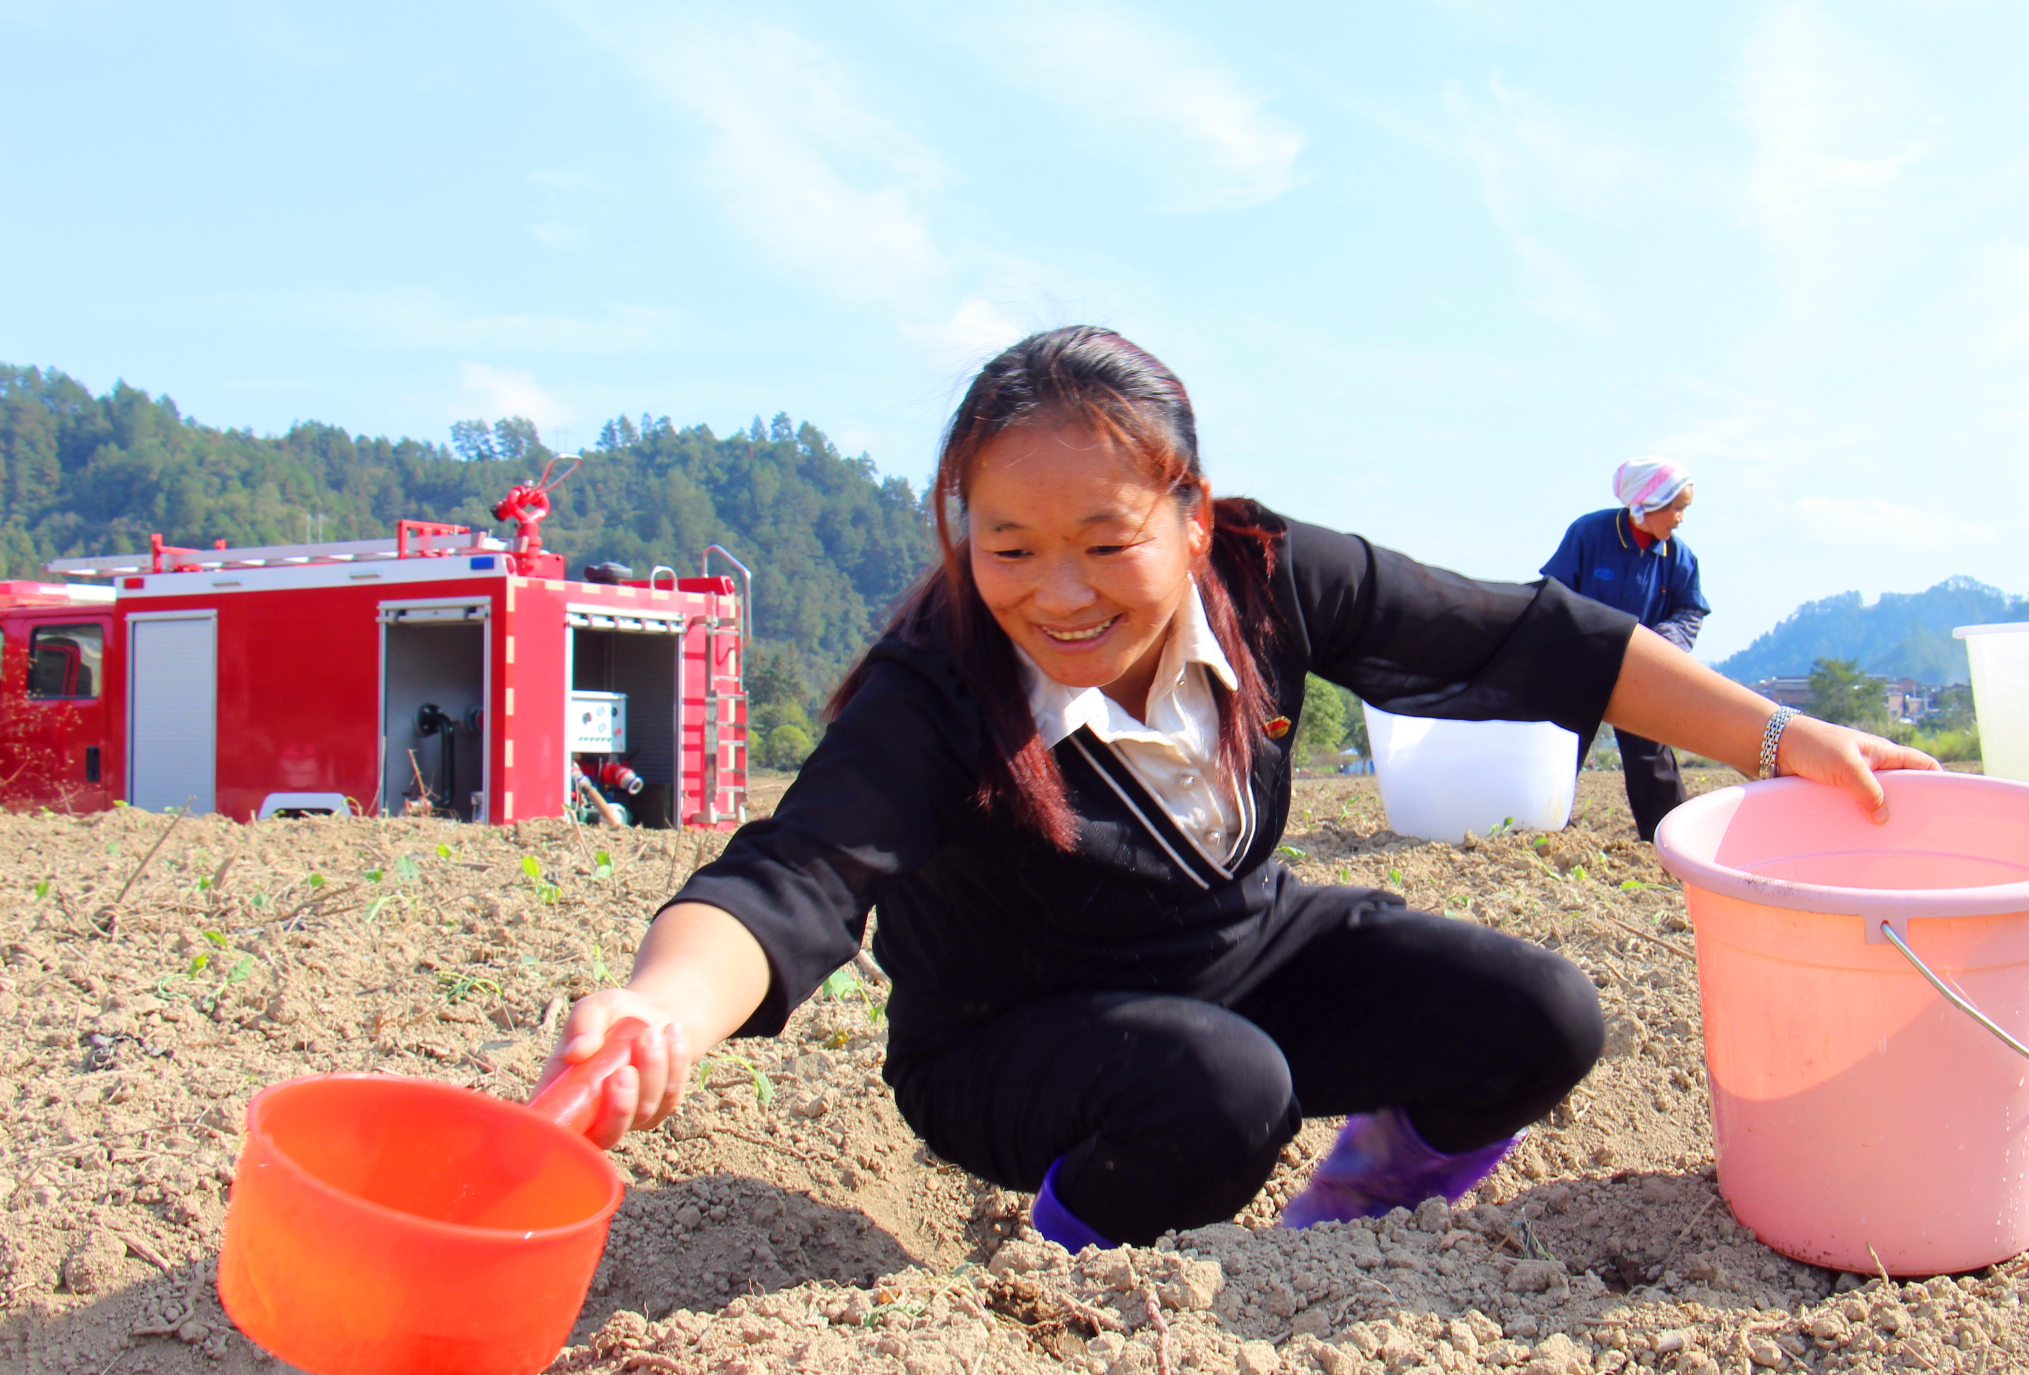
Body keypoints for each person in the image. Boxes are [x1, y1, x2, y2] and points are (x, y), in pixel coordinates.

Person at [541, 328, 1935, 1251]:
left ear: (1191, 517)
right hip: (1011, 1036)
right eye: (1008, 547)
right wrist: (660, 1009)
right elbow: (797, 874)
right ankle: (1066, 1273)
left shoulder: (1273, 579)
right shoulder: (940, 684)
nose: (1058, 592)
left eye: (1106, 540)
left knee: (1538, 1018)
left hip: (1242, 950)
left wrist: (1779, 739)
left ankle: (1344, 1227)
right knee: (1215, 1091)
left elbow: (1526, 635)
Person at [1540, 458, 1707, 840]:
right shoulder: (1589, 534)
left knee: (1650, 757)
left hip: (1640, 670)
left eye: (1685, 509)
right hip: (1581, 662)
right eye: (1676, 507)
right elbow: (1554, 594)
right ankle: (1539, 824)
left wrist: (1660, 643)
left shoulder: (1679, 558)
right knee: (1559, 749)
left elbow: (1690, 611)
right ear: (1644, 503)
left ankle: (1668, 839)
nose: (1680, 518)